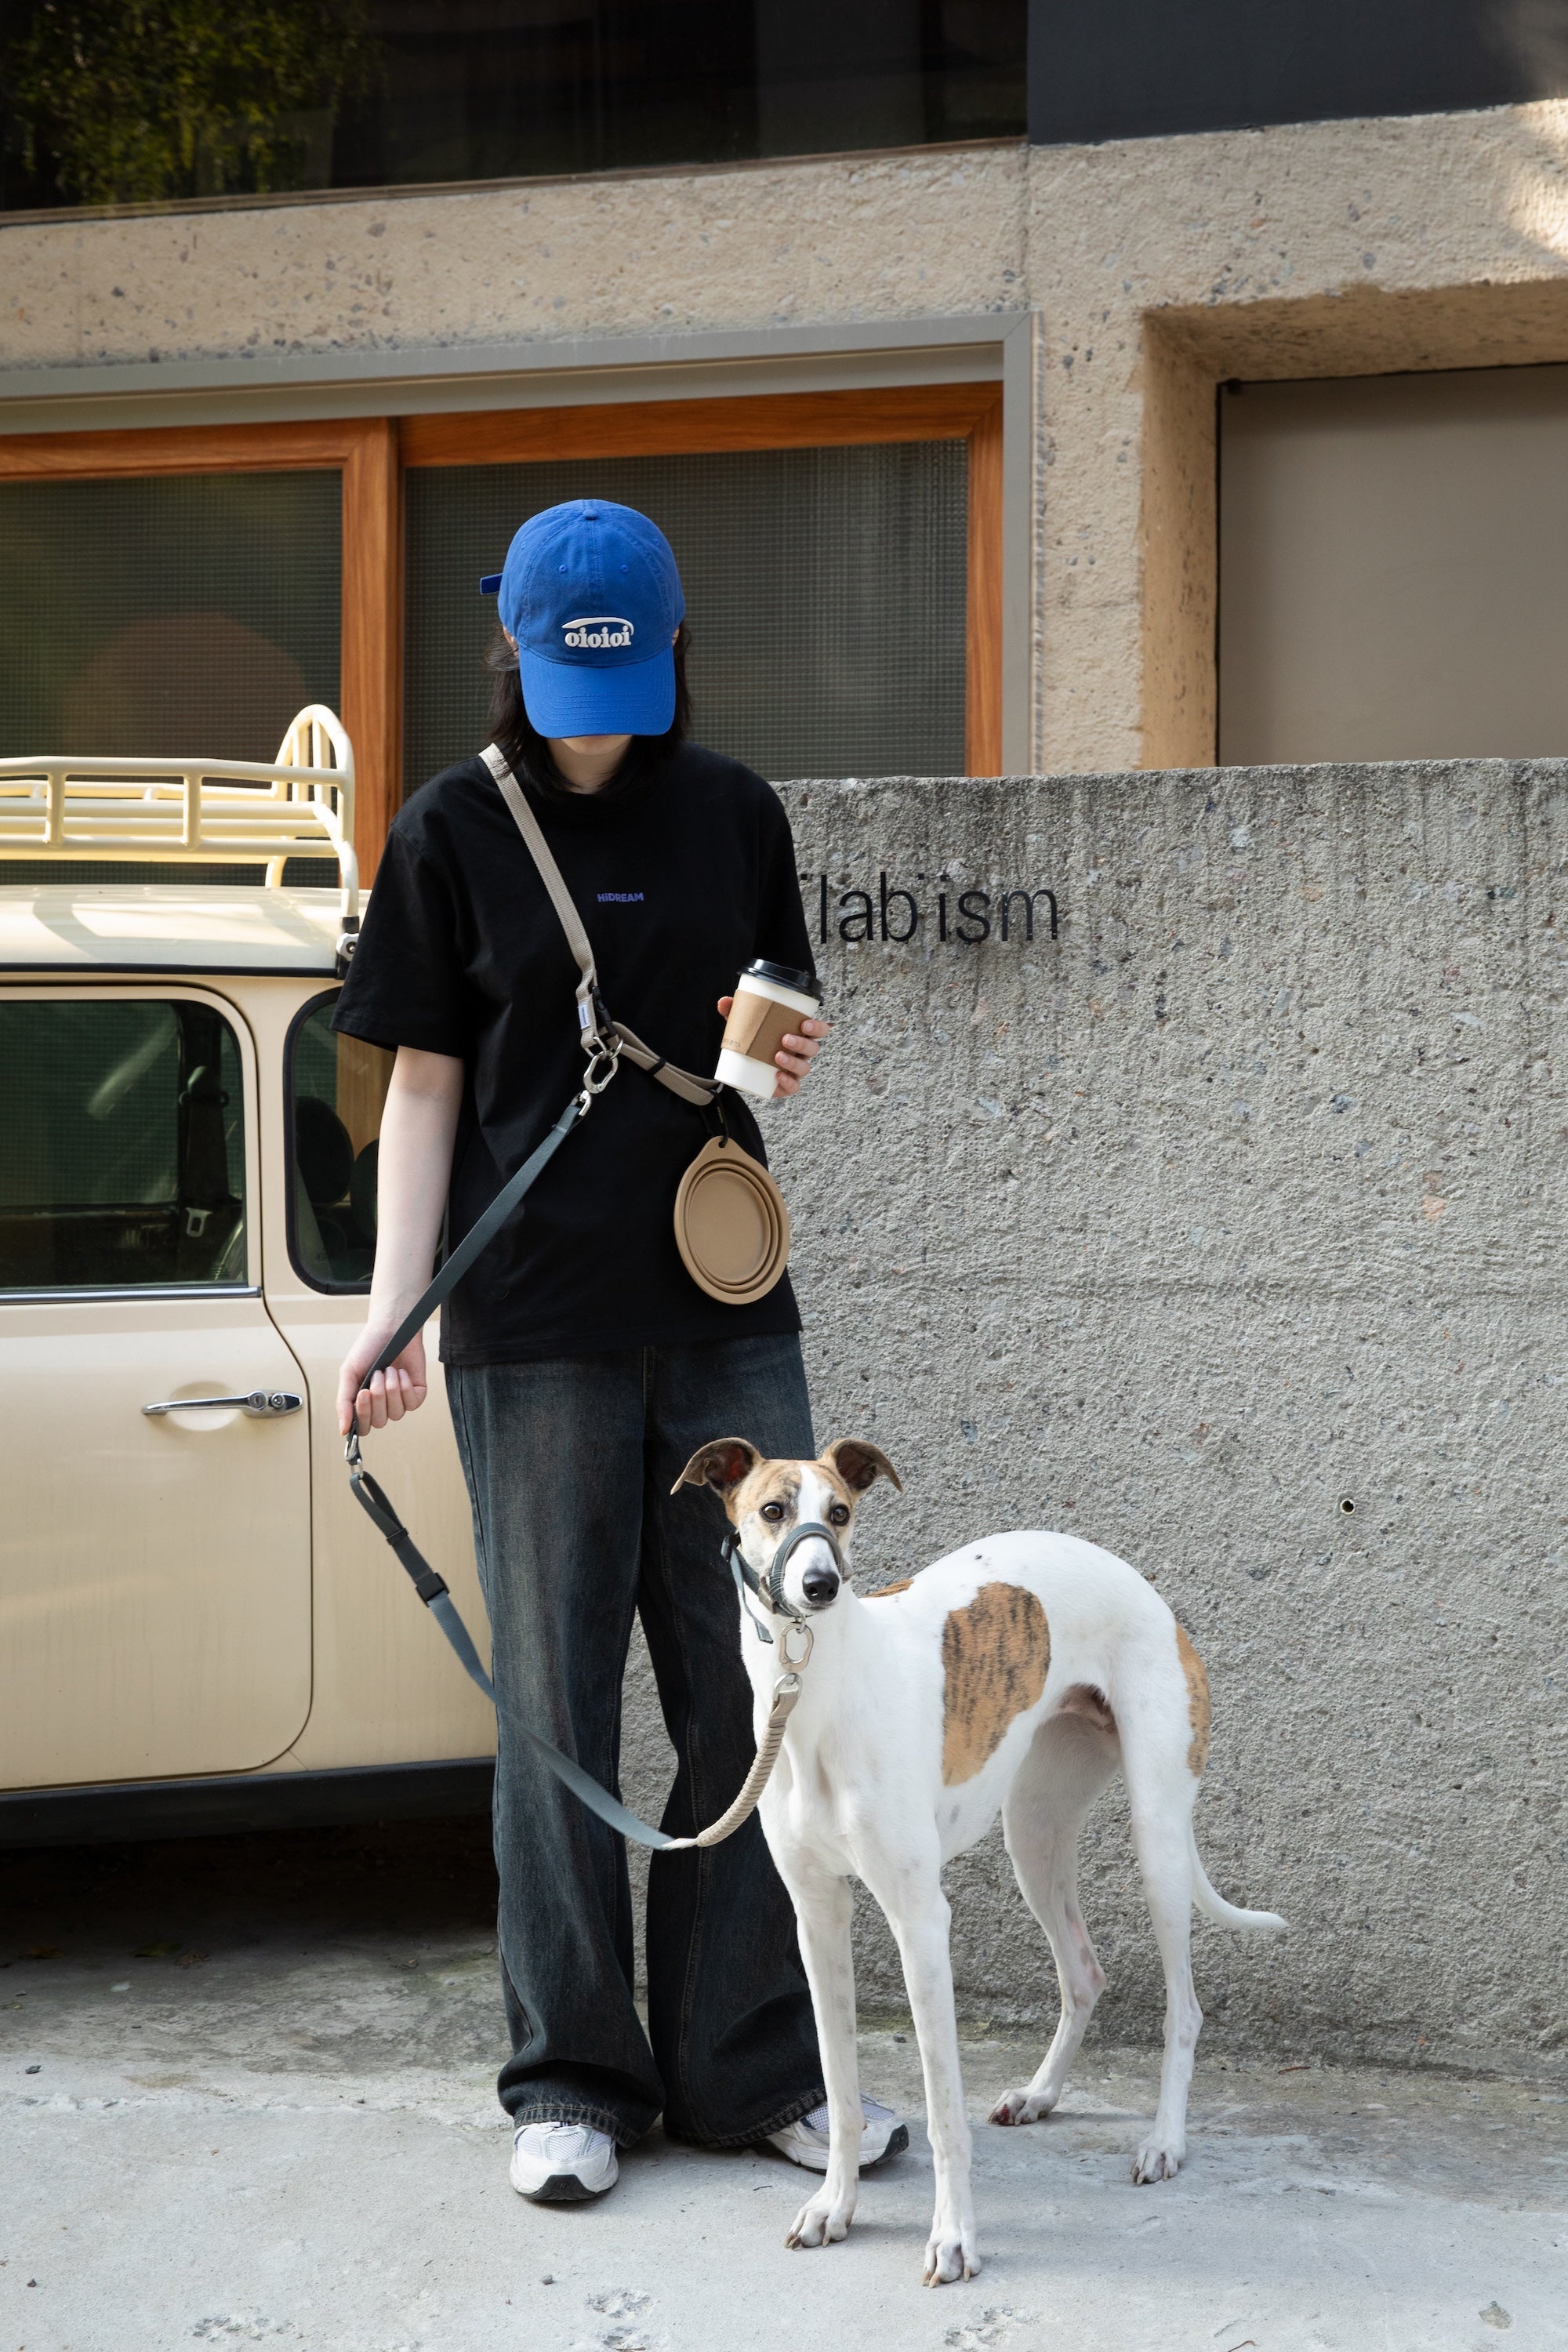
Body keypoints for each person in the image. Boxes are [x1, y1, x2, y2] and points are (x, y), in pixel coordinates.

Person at [333, 499, 905, 2203]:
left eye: (627, 676)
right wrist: (393, 1312)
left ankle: (749, 2075)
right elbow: (422, 1087)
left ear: (667, 653)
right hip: (533, 1333)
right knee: (554, 1706)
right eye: (569, 673)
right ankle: (570, 2080)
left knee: (759, 1690)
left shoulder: (734, 811)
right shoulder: (449, 830)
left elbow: (768, 1025)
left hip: (726, 1318)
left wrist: (767, 1061)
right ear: (510, 645)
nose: (598, 708)